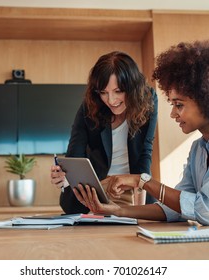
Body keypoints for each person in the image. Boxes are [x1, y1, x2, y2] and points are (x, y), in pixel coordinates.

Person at [73, 40, 209, 229]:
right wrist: (116, 211)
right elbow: (175, 209)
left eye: (179, 105)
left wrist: (142, 181)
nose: (173, 113)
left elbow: (206, 210)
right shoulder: (199, 149)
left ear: (207, 100)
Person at [51, 51, 158, 214]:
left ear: (133, 87)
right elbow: (75, 154)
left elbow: (145, 152)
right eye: (103, 92)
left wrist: (140, 205)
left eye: (118, 91)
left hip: (133, 188)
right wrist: (65, 177)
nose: (111, 100)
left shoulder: (148, 99)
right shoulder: (90, 106)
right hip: (96, 189)